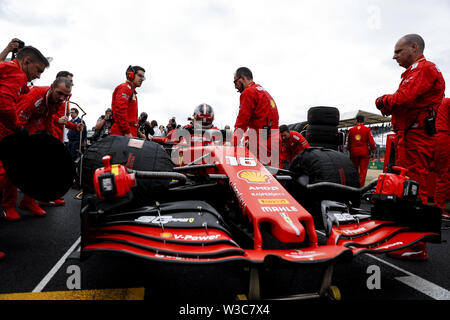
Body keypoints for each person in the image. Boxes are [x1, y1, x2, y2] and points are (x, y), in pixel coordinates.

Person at [375, 34, 445, 261]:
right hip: (410, 136)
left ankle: (416, 246)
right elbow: (406, 101)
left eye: (398, 51)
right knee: (406, 188)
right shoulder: (417, 71)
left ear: (413, 48)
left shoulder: (424, 69)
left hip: (418, 137)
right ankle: (407, 239)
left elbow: (403, 98)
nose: (394, 56)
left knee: (416, 190)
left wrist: (383, 100)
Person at [0, 45, 48, 259]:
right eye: (38, 70)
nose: (37, 76)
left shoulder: (8, 69)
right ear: (26, 61)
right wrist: (17, 127)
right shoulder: (17, 73)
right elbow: (4, 105)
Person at [232, 67, 279, 165]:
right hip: (273, 141)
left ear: (242, 78)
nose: (235, 86)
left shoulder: (248, 92)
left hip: (262, 143)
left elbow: (241, 122)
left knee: (255, 177)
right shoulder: (264, 92)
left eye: (235, 82)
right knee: (271, 176)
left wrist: (232, 143)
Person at [110, 65, 145, 137]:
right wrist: (127, 132)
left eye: (143, 77)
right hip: (122, 134)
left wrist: (138, 133)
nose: (142, 79)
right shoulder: (125, 88)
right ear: (131, 75)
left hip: (128, 133)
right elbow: (120, 111)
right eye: (140, 76)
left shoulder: (131, 91)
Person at [346, 115, 376, 187]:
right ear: (363, 121)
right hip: (364, 153)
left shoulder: (351, 130)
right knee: (363, 172)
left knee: (354, 171)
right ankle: (360, 187)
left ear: (356, 121)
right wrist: (373, 152)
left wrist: (349, 150)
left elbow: (348, 143)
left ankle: (353, 186)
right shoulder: (367, 130)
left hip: (353, 153)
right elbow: (372, 143)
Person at [433, 98, 450, 219]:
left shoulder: (432, 105)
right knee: (444, 175)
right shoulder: (447, 102)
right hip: (443, 137)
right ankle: (439, 208)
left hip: (432, 137)